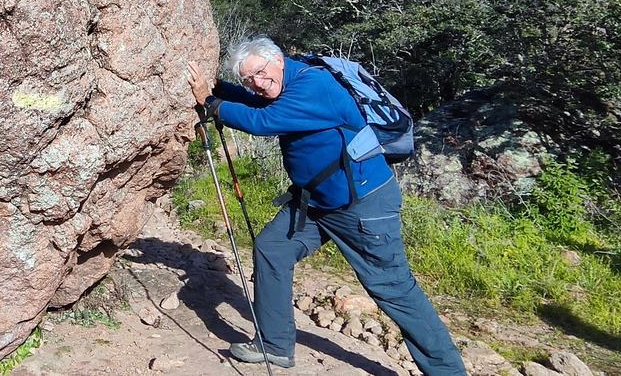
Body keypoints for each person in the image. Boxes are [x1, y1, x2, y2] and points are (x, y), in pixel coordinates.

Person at [185, 36, 466, 375]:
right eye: (249, 79)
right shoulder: (287, 85)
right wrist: (222, 89)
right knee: (272, 249)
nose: (257, 83)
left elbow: (263, 122)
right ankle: (275, 346)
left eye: (260, 72)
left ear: (278, 60)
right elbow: (261, 103)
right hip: (317, 203)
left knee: (393, 289)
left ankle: (447, 371)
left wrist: (211, 102)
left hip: (363, 204)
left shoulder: (312, 86)